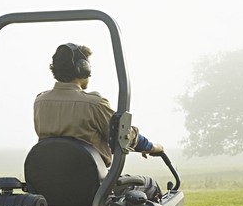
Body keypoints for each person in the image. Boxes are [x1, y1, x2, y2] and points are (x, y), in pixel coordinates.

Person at [34, 43, 163, 166]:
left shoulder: (40, 102)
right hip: (91, 183)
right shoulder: (94, 104)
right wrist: (151, 146)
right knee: (150, 185)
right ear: (83, 69)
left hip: (50, 181)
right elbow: (123, 135)